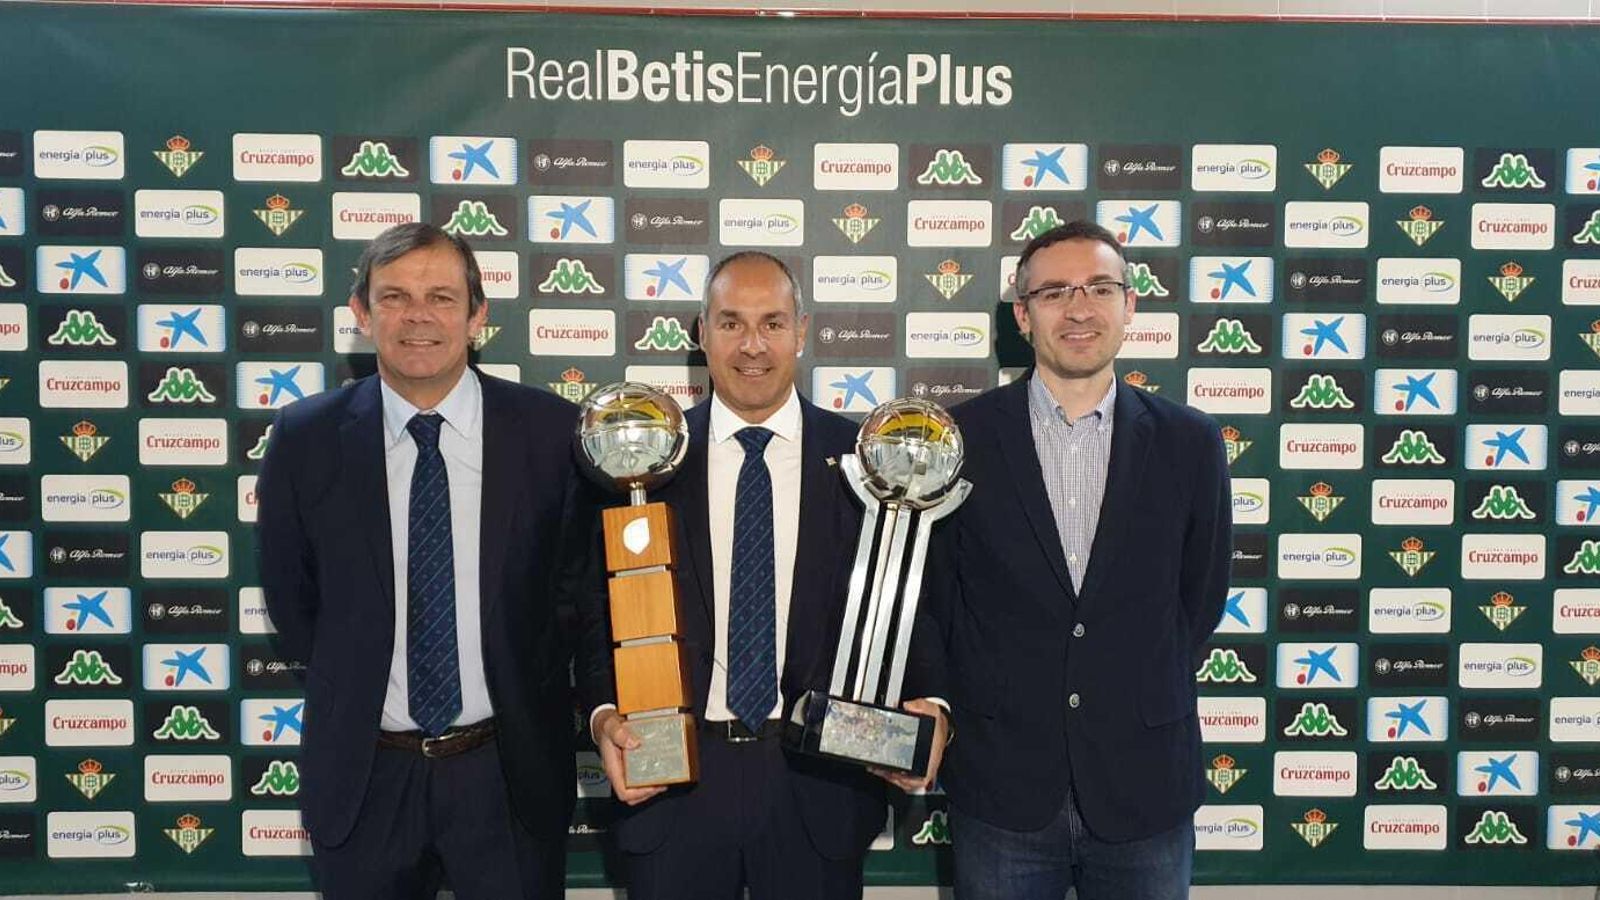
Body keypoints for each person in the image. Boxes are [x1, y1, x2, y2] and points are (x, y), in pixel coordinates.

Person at [256, 222, 607, 900]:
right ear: (361, 313)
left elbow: (581, 598)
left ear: (478, 316)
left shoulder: (551, 434)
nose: (418, 317)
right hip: (366, 779)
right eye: (394, 297)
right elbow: (294, 605)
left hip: (507, 777)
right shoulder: (306, 439)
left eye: (442, 297)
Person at [589, 251, 949, 900]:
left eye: (772, 323)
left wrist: (934, 706)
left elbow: (915, 604)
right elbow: (593, 614)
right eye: (731, 323)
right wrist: (603, 717)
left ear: (802, 331)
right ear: (701, 333)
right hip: (672, 792)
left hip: (819, 792)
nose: (752, 345)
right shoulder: (641, 464)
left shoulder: (869, 468)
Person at [926, 221, 1232, 900]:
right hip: (1002, 786)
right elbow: (938, 601)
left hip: (1143, 782)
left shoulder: (1191, 443)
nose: (1079, 308)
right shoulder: (960, 440)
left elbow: (1198, 599)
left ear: (1131, 306)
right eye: (1055, 292)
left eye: (1099, 288)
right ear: (1022, 315)